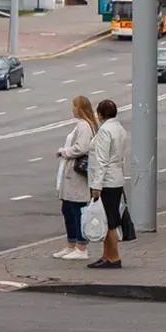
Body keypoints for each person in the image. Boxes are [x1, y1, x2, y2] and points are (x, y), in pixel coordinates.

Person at [54, 95, 99, 261]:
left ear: (80, 108)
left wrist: (64, 151)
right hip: (72, 176)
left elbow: (82, 147)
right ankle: (71, 244)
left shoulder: (84, 126)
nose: (72, 110)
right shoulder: (82, 125)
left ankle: (81, 247)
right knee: (67, 209)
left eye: (74, 106)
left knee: (77, 210)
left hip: (78, 176)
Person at [86, 98, 129, 269]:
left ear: (100, 114)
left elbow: (102, 160)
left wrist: (97, 186)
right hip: (115, 178)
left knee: (109, 220)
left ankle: (114, 257)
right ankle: (106, 256)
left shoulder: (105, 131)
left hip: (106, 182)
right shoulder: (119, 128)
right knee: (108, 218)